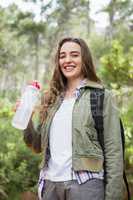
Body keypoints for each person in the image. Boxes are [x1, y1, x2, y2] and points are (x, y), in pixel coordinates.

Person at [22, 37, 124, 200]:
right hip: (50, 185)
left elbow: (114, 152)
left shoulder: (101, 96)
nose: (67, 60)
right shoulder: (51, 99)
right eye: (62, 56)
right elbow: (36, 145)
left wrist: (113, 195)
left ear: (84, 59)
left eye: (74, 55)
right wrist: (25, 115)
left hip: (86, 185)